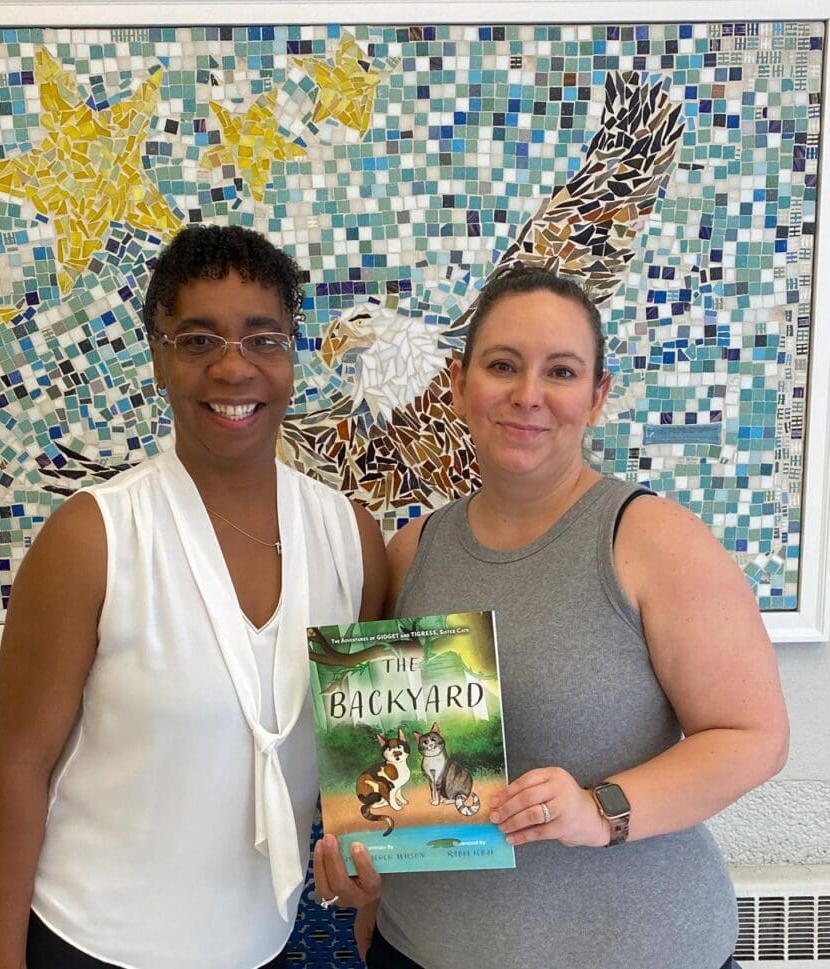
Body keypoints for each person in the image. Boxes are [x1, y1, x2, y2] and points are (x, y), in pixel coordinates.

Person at [313, 265, 789, 969]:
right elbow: (401, 766)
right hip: (417, 951)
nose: (527, 395)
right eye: (503, 365)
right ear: (458, 383)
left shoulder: (653, 541)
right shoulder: (412, 551)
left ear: (596, 397)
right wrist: (364, 863)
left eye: (560, 371)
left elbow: (755, 736)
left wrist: (601, 810)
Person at [0, 223, 387, 969]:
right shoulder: (93, 538)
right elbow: (19, 768)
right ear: (159, 359)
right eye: (198, 340)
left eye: (263, 339)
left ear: (291, 356)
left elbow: (362, 757)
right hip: (93, 941)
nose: (234, 368)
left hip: (258, 945)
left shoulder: (350, 538)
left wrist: (370, 868)